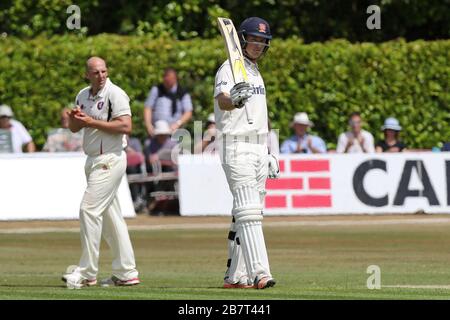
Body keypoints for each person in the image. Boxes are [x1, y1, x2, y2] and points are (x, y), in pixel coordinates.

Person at [62, 56, 139, 289]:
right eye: (96, 72)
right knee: (111, 218)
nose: (101, 75)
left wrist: (91, 122)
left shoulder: (115, 94)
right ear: (87, 74)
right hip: (93, 159)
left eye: (104, 71)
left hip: (110, 159)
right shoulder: (82, 95)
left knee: (89, 210)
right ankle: (126, 272)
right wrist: (74, 119)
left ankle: (86, 272)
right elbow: (76, 128)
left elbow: (125, 126)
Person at [214, 17, 278, 289]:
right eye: (254, 39)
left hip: (258, 146)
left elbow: (262, 113)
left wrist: (269, 151)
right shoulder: (228, 69)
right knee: (249, 211)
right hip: (236, 144)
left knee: (245, 213)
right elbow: (223, 100)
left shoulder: (255, 71)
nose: (259, 45)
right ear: (241, 39)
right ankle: (260, 274)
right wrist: (234, 100)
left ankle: (234, 276)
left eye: (263, 41)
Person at [143, 67, 193, 137]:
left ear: (175, 79)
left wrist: (177, 124)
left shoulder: (183, 93)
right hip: (158, 131)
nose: (166, 83)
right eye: (165, 80)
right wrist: (148, 125)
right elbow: (148, 107)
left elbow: (188, 112)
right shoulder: (157, 89)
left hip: (175, 132)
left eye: (169, 81)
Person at [125, 135, 146, 212]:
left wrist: (128, 149)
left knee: (133, 172)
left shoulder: (135, 141)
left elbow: (140, 157)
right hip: (122, 169)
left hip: (134, 170)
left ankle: (137, 199)